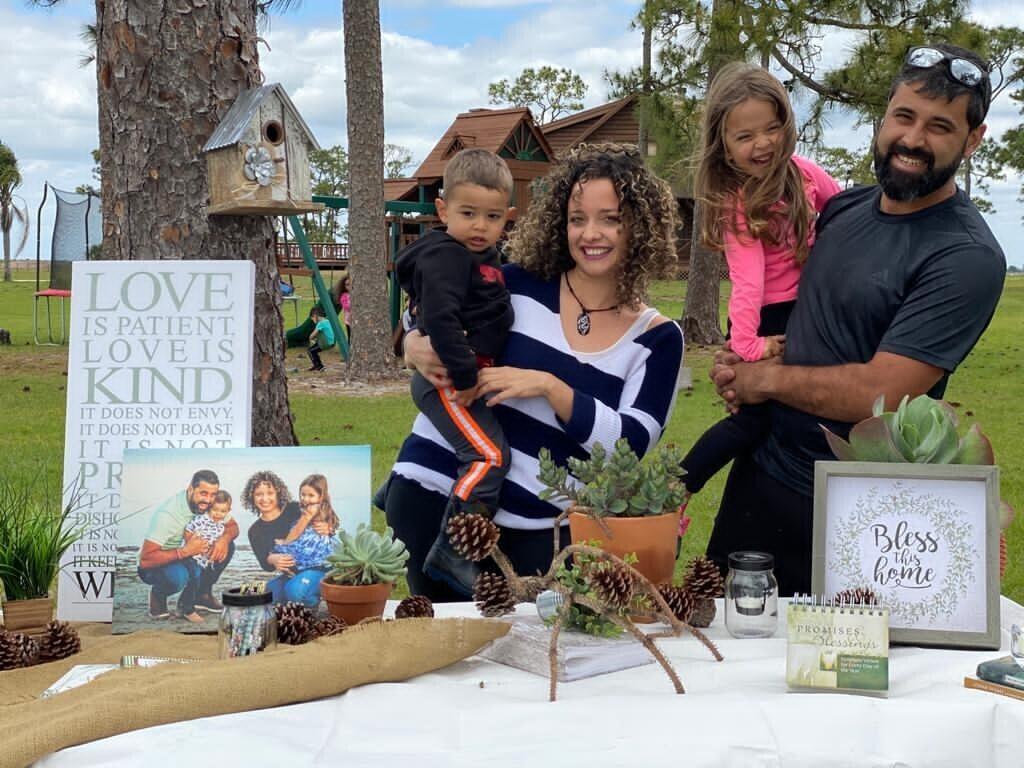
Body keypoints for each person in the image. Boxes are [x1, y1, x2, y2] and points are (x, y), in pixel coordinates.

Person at [707, 43, 1006, 596]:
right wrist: (743, 355)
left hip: (868, 514)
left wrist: (761, 379)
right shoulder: (843, 209)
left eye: (940, 126)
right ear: (882, 118)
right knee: (724, 648)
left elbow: (883, 392)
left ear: (974, 139)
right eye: (904, 116)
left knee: (844, 675)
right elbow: (790, 303)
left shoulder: (965, 256)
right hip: (761, 478)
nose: (913, 139)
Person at [382, 143, 684, 602]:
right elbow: (429, 310)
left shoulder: (657, 339)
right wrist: (411, 344)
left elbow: (629, 445)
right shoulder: (516, 283)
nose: (591, 234)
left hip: (537, 531)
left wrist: (549, 387)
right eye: (577, 218)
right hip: (436, 495)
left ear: (638, 227)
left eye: (610, 218)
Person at [679, 63, 841, 499]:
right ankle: (677, 490)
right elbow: (748, 283)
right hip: (767, 318)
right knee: (753, 421)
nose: (762, 143)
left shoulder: (806, 173)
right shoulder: (740, 205)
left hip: (807, 312)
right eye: (745, 136)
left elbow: (845, 210)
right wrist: (749, 346)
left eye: (771, 128)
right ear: (725, 147)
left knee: (795, 418)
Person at [393, 147, 516, 595]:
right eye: (468, 213)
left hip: (458, 377)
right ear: (442, 209)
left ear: (508, 216)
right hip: (448, 380)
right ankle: (454, 550)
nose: (480, 226)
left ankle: (392, 495)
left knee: (486, 451)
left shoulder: (483, 259)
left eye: (492, 216)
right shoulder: (447, 257)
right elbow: (441, 320)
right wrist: (465, 379)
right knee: (489, 457)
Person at [137, 469, 237, 619]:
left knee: (228, 546)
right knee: (179, 577)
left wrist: (223, 540)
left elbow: (233, 527)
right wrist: (185, 551)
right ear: (191, 489)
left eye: (213, 494)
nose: (209, 500)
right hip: (157, 564)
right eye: (203, 493)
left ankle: (202, 595)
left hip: (189, 554)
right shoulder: (168, 515)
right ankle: (158, 596)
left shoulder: (210, 505)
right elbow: (145, 561)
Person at [245, 470, 331, 606]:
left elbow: (324, 521)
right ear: (251, 497)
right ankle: (295, 595)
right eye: (258, 494)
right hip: (292, 574)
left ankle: (311, 600)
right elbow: (266, 565)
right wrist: (271, 559)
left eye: (270, 493)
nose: (265, 498)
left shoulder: (295, 509)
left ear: (279, 493)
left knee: (294, 592)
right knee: (265, 594)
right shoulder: (255, 531)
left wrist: (327, 527)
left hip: (318, 569)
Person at [177, 489, 234, 623]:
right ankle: (188, 609)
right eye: (215, 510)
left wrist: (213, 552)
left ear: (228, 510)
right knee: (194, 579)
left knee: (199, 579)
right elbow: (188, 530)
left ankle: (190, 602)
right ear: (209, 507)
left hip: (204, 560)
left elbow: (219, 538)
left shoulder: (220, 525)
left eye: (223, 511)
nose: (218, 514)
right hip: (192, 557)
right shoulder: (201, 519)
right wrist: (191, 544)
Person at [272, 474, 340, 573]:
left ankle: (299, 573)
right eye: (303, 495)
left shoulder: (312, 509)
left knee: (290, 553)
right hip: (321, 542)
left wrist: (286, 542)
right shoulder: (324, 506)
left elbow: (298, 529)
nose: (305, 499)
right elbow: (335, 522)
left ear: (321, 496)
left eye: (311, 495)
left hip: (311, 542)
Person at [307, 304, 335, 372]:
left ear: (315, 316)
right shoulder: (327, 321)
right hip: (331, 342)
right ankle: (317, 365)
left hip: (326, 343)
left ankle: (319, 366)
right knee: (313, 350)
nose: (313, 321)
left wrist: (310, 338)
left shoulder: (321, 323)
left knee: (310, 351)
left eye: (312, 318)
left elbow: (312, 335)